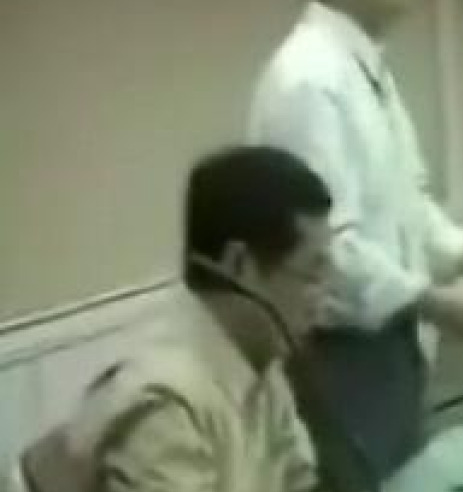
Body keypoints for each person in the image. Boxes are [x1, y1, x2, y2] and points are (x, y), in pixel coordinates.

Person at [248, 0, 463, 478]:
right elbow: (327, 247)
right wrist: (436, 303)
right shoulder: (307, 79)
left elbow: (409, 204)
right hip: (342, 354)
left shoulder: (366, 70)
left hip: (392, 344)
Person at [16, 146, 335, 492]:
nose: (324, 296)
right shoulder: (166, 405)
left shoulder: (259, 364)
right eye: (313, 273)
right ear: (239, 264)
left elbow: (298, 479)